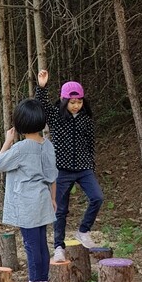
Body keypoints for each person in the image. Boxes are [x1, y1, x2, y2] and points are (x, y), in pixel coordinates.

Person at [35, 69, 103, 262]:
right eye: (72, 102)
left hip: (84, 169)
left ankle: (84, 230)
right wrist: (42, 86)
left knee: (97, 197)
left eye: (79, 102)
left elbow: (90, 144)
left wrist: (91, 166)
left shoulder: (86, 120)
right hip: (62, 170)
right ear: (65, 101)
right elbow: (42, 106)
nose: (76, 106)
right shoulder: (56, 116)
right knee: (60, 210)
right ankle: (58, 246)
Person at [0, 99, 57, 282]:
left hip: (26, 203)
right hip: (43, 200)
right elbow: (52, 175)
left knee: (31, 245)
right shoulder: (47, 145)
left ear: (20, 123)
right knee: (41, 243)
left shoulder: (21, 148)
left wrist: (7, 141)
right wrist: (53, 199)